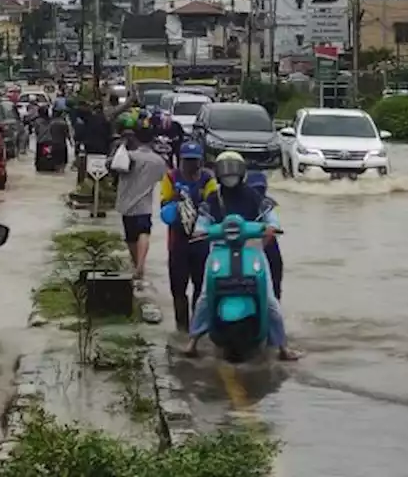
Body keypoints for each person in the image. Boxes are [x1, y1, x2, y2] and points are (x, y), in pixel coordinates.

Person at [182, 151, 302, 361]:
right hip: (219, 250)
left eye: (233, 169)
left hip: (251, 249)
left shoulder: (253, 196)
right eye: (225, 170)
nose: (229, 175)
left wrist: (271, 227)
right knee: (204, 296)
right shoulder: (212, 199)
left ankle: (283, 347)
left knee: (270, 300)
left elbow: (270, 216)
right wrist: (201, 230)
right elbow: (202, 221)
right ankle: (192, 342)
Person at [159, 142, 218, 332]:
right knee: (178, 288)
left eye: (195, 161)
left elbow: (214, 204)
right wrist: (175, 202)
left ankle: (197, 327)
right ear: (181, 160)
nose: (192, 165)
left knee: (200, 287)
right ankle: (182, 328)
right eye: (188, 161)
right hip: (178, 242)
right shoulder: (171, 177)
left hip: (201, 242)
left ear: (201, 161)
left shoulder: (207, 179)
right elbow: (164, 205)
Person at [114, 119, 169, 290]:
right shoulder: (158, 161)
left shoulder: (128, 157)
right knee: (144, 233)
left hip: (126, 204)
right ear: (152, 140)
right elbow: (164, 179)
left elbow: (112, 166)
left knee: (131, 237)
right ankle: (140, 266)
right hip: (144, 205)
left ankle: (137, 264)